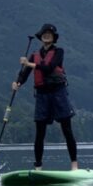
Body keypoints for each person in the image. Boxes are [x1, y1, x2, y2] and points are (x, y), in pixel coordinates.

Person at [13, 23, 79, 170]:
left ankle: (74, 165)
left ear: (53, 37)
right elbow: (25, 74)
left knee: (66, 129)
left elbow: (49, 68)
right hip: (42, 95)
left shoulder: (59, 52)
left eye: (49, 33)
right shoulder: (34, 55)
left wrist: (28, 63)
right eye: (44, 33)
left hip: (58, 93)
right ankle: (38, 166)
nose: (46, 35)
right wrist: (18, 83)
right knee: (40, 132)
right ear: (41, 36)